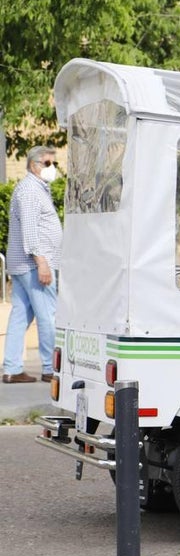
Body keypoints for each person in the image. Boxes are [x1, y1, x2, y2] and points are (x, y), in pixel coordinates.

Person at [3, 146, 63, 384]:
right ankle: (49, 368)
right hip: (34, 264)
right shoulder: (29, 191)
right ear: (34, 165)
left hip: (25, 265)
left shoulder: (36, 189)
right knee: (47, 314)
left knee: (20, 315)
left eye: (54, 164)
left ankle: (12, 368)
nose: (53, 169)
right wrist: (42, 263)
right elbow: (30, 231)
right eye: (48, 164)